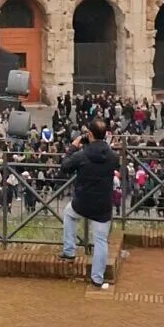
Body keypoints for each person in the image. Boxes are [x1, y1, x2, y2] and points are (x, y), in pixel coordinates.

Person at [59, 117, 119, 290]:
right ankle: (97, 279)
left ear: (89, 134)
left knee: (69, 215)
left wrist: (73, 146)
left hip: (82, 202)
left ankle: (69, 251)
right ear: (105, 135)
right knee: (100, 240)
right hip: (102, 206)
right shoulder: (112, 156)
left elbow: (65, 167)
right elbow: (111, 159)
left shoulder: (81, 154)